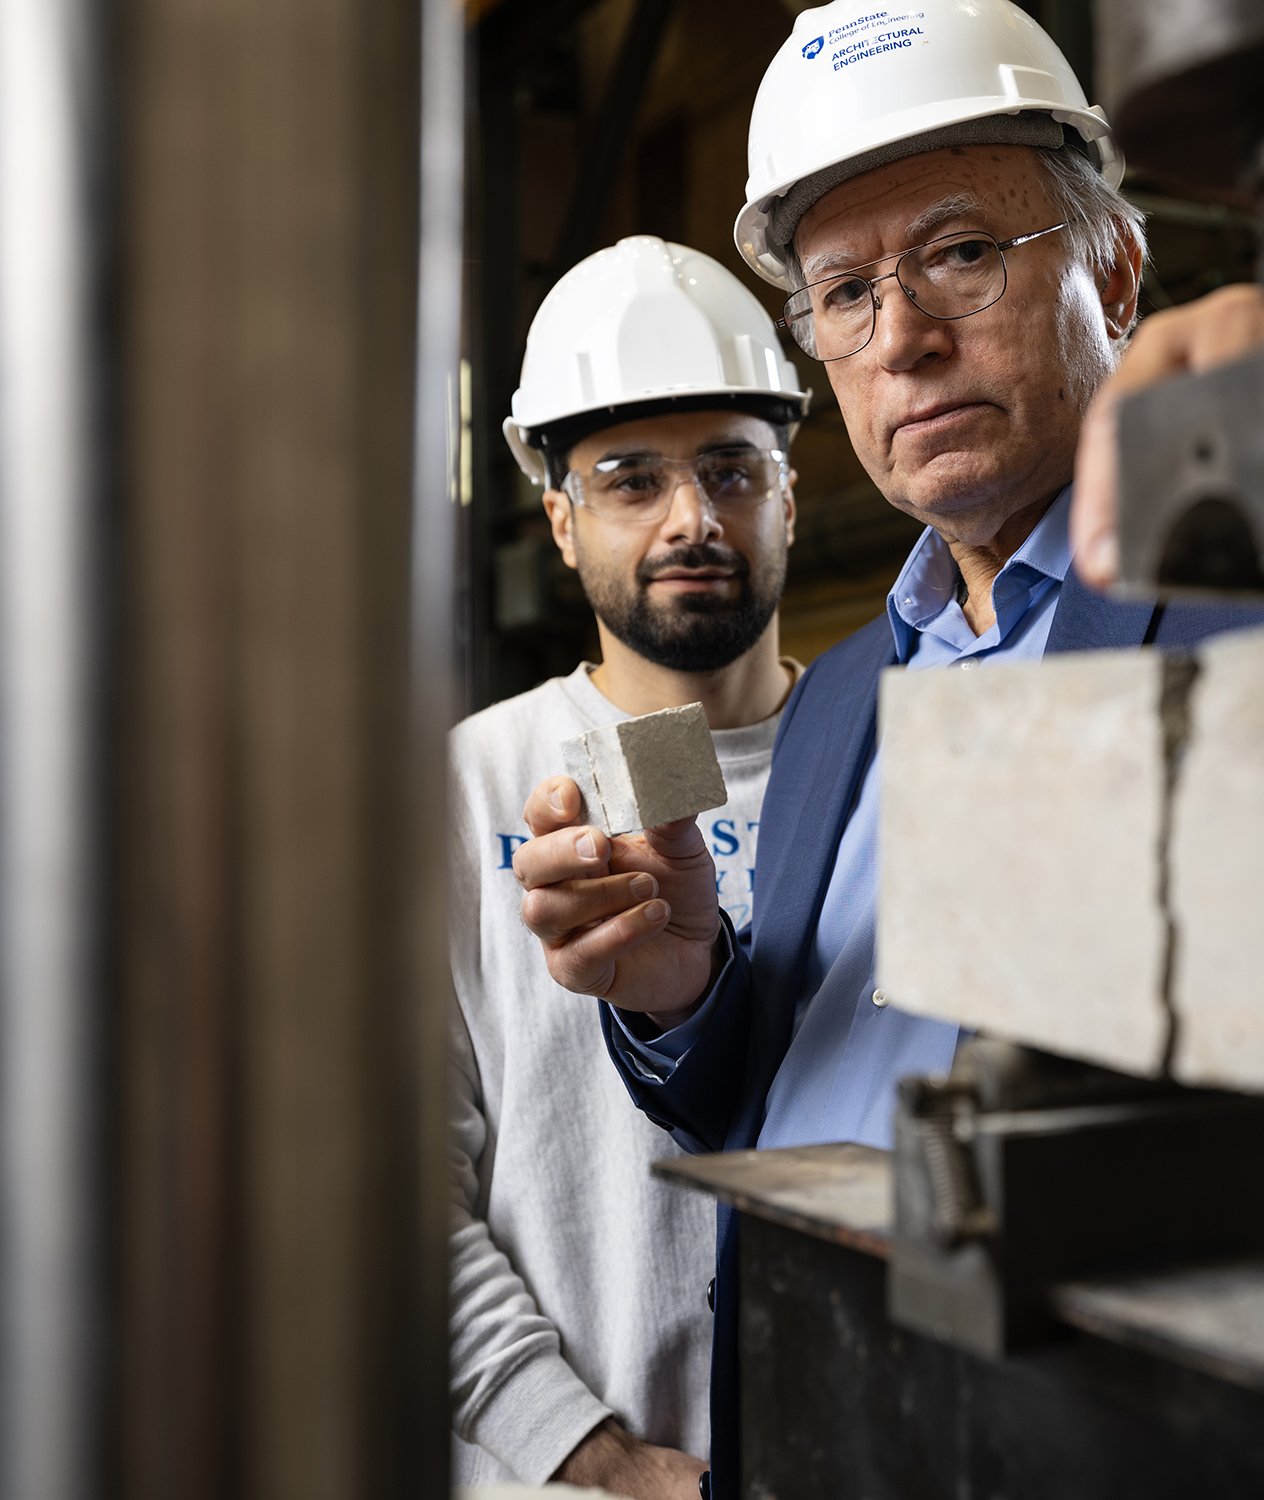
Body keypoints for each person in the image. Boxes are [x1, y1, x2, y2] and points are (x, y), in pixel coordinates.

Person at [508, 5, 1264, 1493]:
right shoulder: (847, 702)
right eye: (843, 292)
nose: (904, 341)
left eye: (958, 253)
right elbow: (768, 1091)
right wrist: (686, 989)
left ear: (1116, 270)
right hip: (823, 1433)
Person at [448, 236, 809, 1498]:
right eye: (628, 478)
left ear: (790, 492)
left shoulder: (880, 757)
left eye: (730, 469)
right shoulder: (472, 787)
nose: (692, 518)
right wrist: (591, 1457)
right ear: (558, 517)